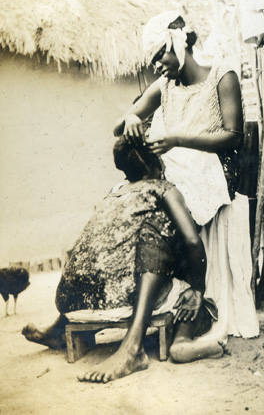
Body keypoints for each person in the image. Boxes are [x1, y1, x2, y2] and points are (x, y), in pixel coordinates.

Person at [114, 11, 259, 356]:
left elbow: (233, 137)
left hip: (213, 168)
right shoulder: (164, 85)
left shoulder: (222, 77)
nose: (157, 67)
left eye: (159, 57)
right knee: (140, 199)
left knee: (163, 200)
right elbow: (121, 123)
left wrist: (177, 138)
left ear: (178, 45)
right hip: (178, 167)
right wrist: (133, 116)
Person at [22, 137, 223, 384]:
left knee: (103, 247)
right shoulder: (162, 188)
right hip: (126, 304)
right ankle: (153, 345)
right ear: (157, 161)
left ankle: (57, 331)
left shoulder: (114, 193)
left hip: (72, 307)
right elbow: (192, 242)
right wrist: (197, 288)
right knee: (180, 279)